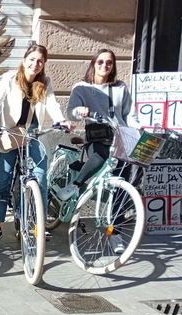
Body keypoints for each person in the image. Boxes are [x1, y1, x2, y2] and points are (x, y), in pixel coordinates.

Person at [0, 44, 74, 248]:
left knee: (39, 178)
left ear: (43, 64)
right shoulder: (10, 79)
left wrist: (61, 120)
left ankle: (36, 224)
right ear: (24, 60)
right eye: (32, 59)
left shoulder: (44, 82)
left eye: (40, 61)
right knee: (3, 184)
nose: (35, 64)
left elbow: (52, 104)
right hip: (8, 135)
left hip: (32, 136)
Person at [56, 48, 141, 253]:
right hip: (97, 134)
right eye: (101, 62)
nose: (104, 66)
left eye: (109, 63)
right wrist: (80, 111)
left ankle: (115, 234)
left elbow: (129, 114)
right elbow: (73, 112)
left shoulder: (120, 87)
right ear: (93, 63)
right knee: (100, 155)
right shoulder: (82, 88)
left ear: (113, 66)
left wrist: (137, 131)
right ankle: (76, 185)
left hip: (121, 136)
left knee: (122, 186)